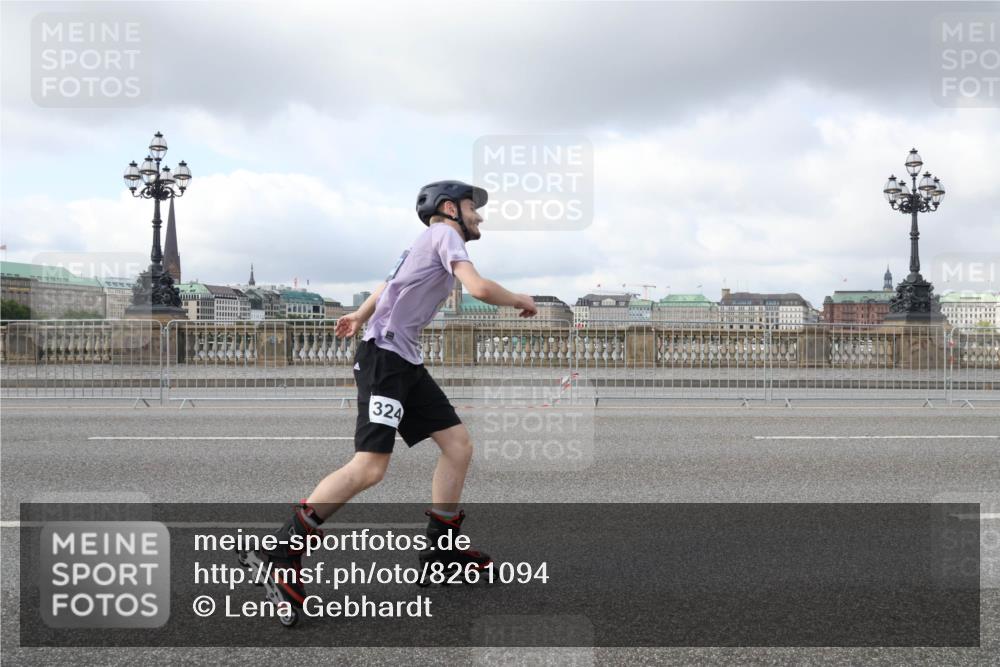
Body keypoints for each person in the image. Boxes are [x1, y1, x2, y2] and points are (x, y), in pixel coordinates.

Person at [251, 181, 537, 608]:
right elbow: (477, 288)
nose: (479, 216)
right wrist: (519, 299)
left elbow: (388, 287)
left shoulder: (421, 243)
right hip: (385, 360)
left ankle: (441, 551)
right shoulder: (444, 236)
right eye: (472, 208)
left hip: (404, 361)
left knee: (457, 445)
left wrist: (358, 313)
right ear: (449, 209)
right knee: (369, 468)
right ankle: (281, 550)